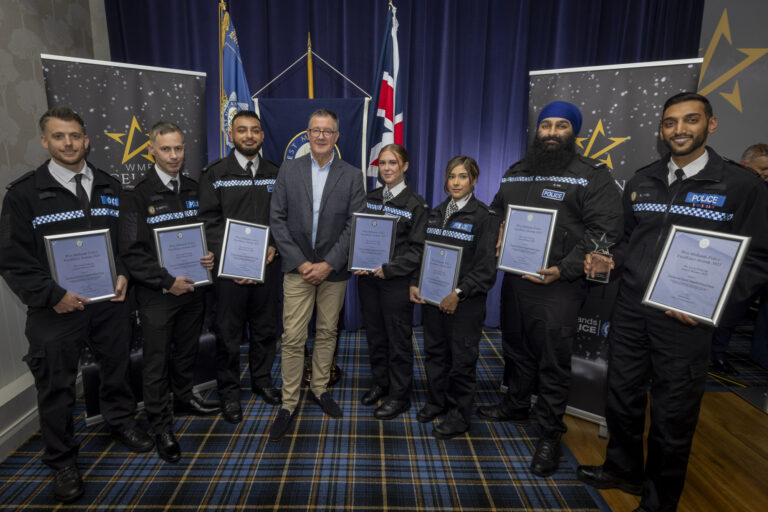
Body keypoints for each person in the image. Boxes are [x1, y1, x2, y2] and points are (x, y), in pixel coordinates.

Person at [577, 93, 768, 512]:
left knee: (672, 412)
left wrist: (711, 304)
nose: (679, 129)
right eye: (670, 123)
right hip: (630, 309)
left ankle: (659, 499)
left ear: (710, 125)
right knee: (622, 396)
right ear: (661, 130)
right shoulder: (642, 180)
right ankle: (622, 470)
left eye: (690, 120)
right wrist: (609, 258)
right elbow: (628, 241)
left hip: (686, 318)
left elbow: (757, 259)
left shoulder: (741, 185)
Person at [0, 107, 153, 503]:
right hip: (56, 310)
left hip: (110, 302)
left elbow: (128, 241)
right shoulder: (22, 195)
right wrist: (54, 296)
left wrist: (123, 272)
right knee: (56, 386)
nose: (68, 143)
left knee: (116, 368)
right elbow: (13, 259)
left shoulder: (110, 186)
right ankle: (63, 458)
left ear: (86, 140)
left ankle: (120, 421)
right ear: (45, 141)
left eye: (75, 136)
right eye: (59, 136)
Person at [477, 100, 623, 476]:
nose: (552, 132)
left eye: (561, 126)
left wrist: (564, 268)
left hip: (560, 285)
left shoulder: (592, 175)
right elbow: (496, 211)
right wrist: (498, 230)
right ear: (537, 131)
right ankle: (516, 403)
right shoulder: (517, 171)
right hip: (515, 279)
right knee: (516, 345)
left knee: (553, 360)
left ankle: (549, 433)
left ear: (573, 132)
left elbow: (604, 231)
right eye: (546, 126)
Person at [119, 121, 220, 462]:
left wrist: (210, 254)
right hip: (158, 294)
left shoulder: (194, 188)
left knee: (186, 351)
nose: (174, 155)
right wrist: (165, 281)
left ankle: (183, 396)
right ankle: (161, 424)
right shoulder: (136, 196)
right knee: (156, 360)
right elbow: (132, 251)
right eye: (166, 149)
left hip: (193, 288)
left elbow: (206, 232)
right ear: (151, 150)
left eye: (178, 148)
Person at [268, 108, 365, 441]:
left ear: (337, 137)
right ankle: (288, 402)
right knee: (293, 337)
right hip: (297, 270)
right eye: (315, 130)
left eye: (328, 131)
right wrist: (299, 262)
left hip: (333, 272)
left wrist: (328, 264)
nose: (321, 136)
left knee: (326, 333)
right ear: (307, 135)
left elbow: (355, 225)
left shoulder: (353, 176)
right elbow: (277, 219)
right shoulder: (288, 170)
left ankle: (320, 389)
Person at [198, 111, 281, 424]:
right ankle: (229, 393)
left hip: (268, 267)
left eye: (255, 131)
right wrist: (236, 259)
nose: (249, 136)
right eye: (242, 130)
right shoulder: (215, 173)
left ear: (262, 136)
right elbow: (208, 220)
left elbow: (281, 218)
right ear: (231, 135)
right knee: (229, 334)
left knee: (266, 330)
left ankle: (262, 380)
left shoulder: (275, 171)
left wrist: (272, 245)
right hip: (229, 273)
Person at [409, 156, 499, 439]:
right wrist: (415, 283)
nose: (456, 182)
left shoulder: (485, 217)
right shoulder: (435, 213)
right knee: (435, 354)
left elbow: (486, 269)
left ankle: (459, 416)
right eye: (451, 177)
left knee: (461, 360)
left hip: (465, 304)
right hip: (433, 300)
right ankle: (436, 402)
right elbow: (423, 253)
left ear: (473, 180)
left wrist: (458, 293)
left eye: (462, 176)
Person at [356, 144, 428, 420]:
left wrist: (390, 268)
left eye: (393, 163)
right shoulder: (370, 198)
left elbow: (418, 249)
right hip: (368, 281)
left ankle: (399, 395)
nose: (386, 168)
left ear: (404, 166)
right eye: (382, 163)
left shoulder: (416, 204)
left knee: (398, 339)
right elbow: (360, 236)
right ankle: (380, 383)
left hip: (395, 282)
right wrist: (358, 261)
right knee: (375, 335)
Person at [708, 143, 768, 374]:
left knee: (735, 315)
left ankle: (719, 355)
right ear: (745, 164)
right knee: (726, 313)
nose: (765, 173)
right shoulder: (734, 187)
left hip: (755, 261)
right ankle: (714, 356)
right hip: (731, 260)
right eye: (761, 168)